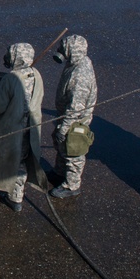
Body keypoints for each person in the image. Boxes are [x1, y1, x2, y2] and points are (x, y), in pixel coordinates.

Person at [0, 42, 48, 212]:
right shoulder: (36, 74)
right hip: (29, 131)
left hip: (9, 130)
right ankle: (15, 196)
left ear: (16, 57)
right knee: (19, 162)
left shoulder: (11, 79)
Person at [48, 34, 97, 198]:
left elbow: (76, 108)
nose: (61, 52)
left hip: (75, 122)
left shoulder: (80, 76)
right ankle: (60, 173)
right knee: (62, 147)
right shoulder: (77, 62)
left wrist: (65, 127)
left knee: (73, 151)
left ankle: (72, 185)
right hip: (65, 116)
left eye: (64, 49)